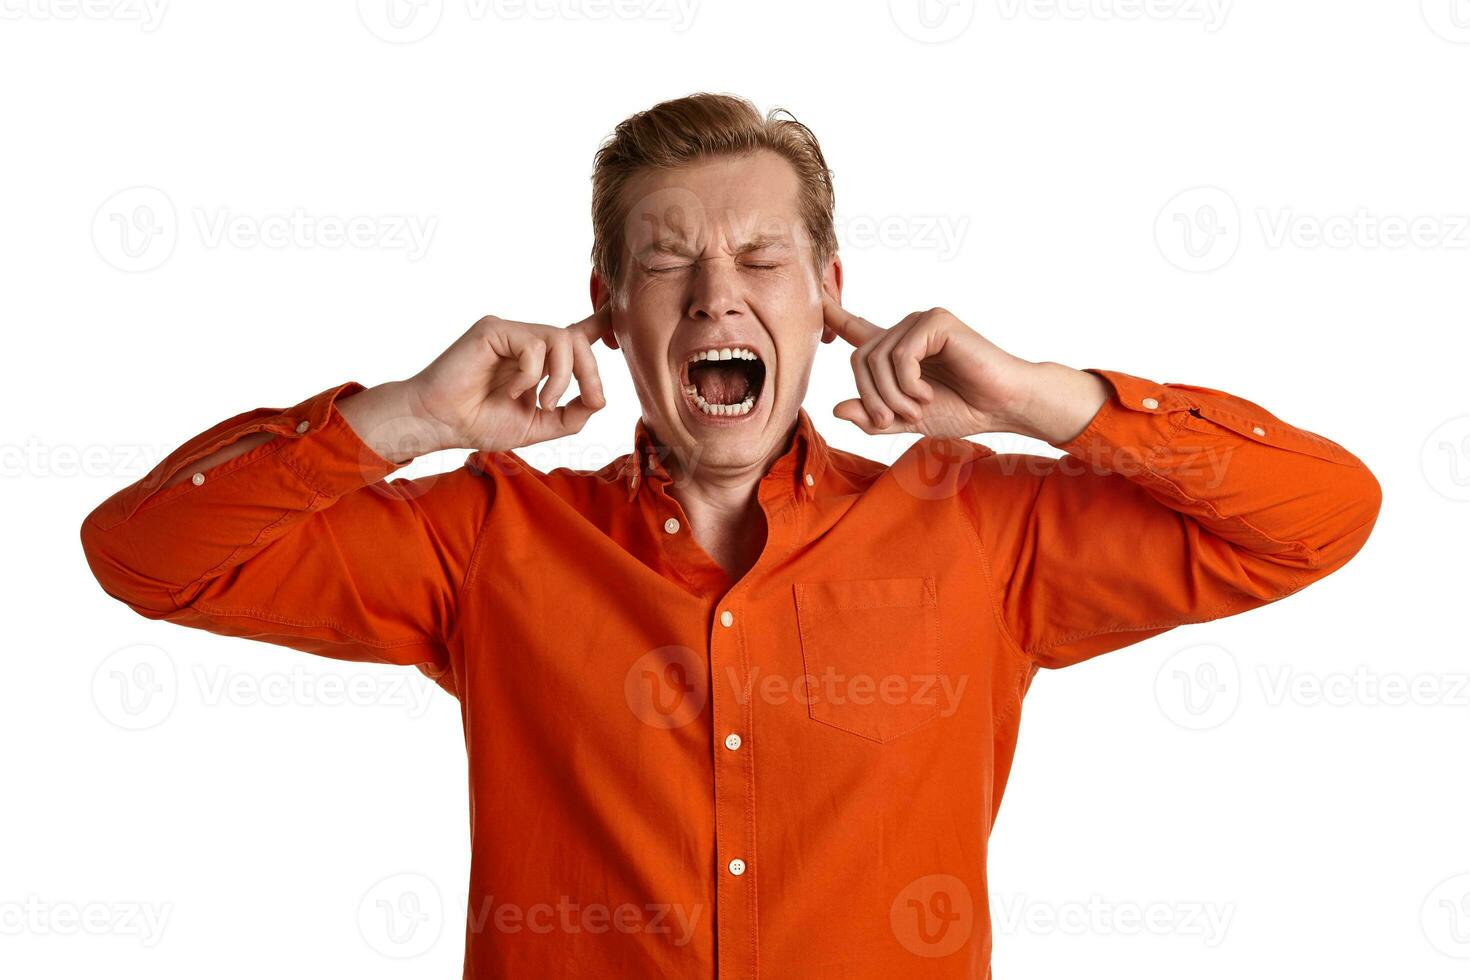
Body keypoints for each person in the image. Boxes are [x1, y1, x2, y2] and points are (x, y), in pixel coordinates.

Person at [80, 92, 1381, 978]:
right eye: (666, 262)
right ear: (604, 306)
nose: (716, 292)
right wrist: (408, 418)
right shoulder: (485, 537)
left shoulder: (981, 528)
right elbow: (144, 553)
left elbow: (1317, 517)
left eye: (762, 258)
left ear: (826, 296)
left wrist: (1043, 398)